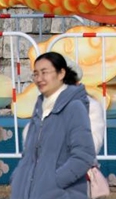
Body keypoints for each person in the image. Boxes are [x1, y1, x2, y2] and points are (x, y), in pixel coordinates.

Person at [10, 52, 97, 199]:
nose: (39, 79)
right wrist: (18, 179)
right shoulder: (40, 107)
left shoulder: (74, 107)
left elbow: (84, 155)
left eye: (45, 73)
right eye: (36, 74)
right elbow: (30, 154)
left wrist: (54, 181)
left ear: (61, 73)